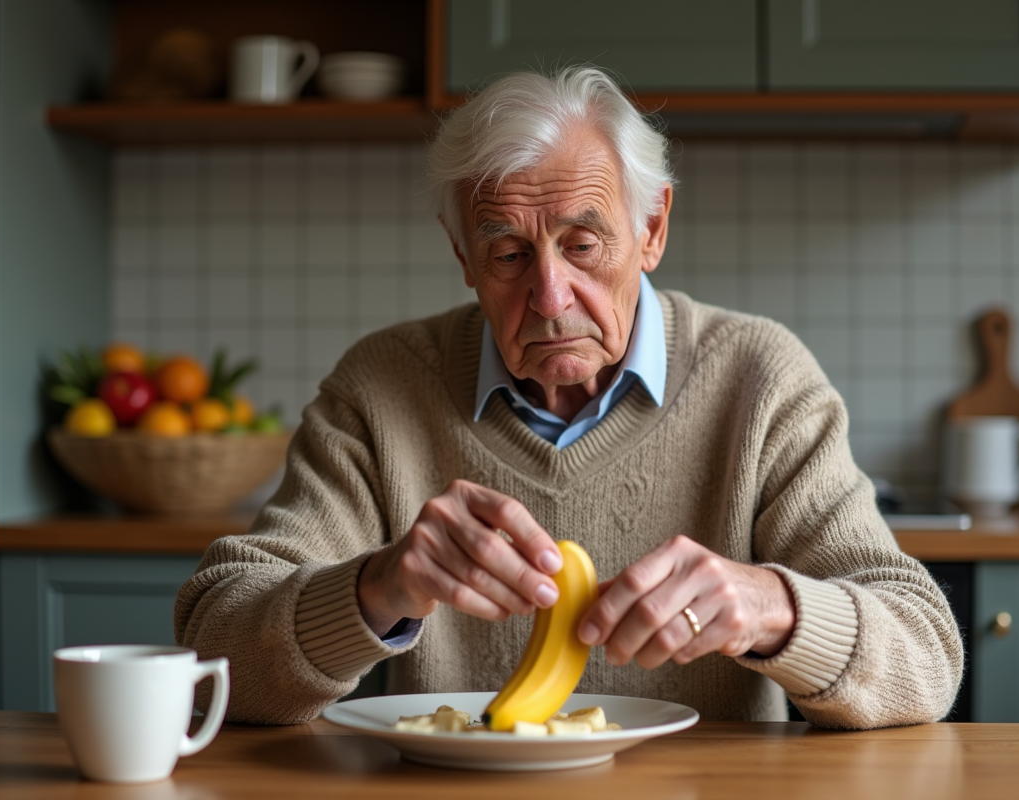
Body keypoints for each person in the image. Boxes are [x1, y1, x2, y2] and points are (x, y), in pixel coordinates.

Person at [175, 66, 963, 729]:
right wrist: (377, 586)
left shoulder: (762, 380)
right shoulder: (380, 388)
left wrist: (770, 607)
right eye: (509, 253)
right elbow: (214, 647)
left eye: (584, 246)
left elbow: (926, 658)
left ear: (652, 229)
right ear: (462, 257)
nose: (551, 297)